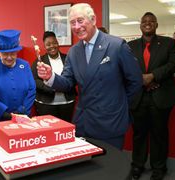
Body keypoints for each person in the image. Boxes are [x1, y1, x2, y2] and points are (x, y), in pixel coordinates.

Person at [37, 3, 143, 149]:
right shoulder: (74, 52)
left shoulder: (116, 46)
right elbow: (68, 82)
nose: (76, 26)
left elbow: (135, 81)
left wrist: (120, 105)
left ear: (93, 20)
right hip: (84, 122)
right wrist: (50, 77)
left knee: (110, 168)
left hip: (110, 122)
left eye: (80, 21)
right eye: (72, 23)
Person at [128, 12, 175, 180]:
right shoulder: (130, 46)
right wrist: (142, 80)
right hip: (139, 97)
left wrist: (152, 76)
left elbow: (173, 64)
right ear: (140, 25)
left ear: (156, 25)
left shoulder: (169, 43)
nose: (148, 23)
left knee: (159, 133)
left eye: (151, 21)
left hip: (161, 95)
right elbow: (126, 68)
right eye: (145, 21)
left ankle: (159, 168)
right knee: (139, 133)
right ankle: (137, 165)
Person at [0, 29, 36, 136]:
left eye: (13, 54)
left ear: (17, 52)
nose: (9, 57)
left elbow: (32, 90)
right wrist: (5, 113)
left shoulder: (25, 65)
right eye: (5, 54)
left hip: (23, 118)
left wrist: (22, 110)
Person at [31, 31, 76, 122]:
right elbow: (34, 80)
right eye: (48, 44)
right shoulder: (39, 61)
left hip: (67, 102)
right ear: (44, 46)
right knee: (48, 131)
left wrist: (64, 86)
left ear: (58, 43)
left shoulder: (68, 58)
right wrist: (52, 88)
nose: (52, 46)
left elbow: (74, 77)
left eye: (54, 43)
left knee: (64, 131)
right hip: (45, 103)